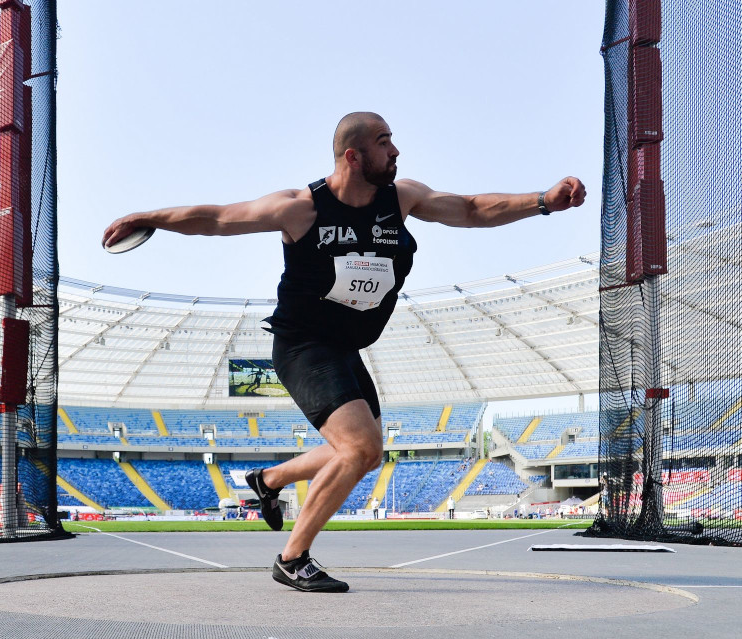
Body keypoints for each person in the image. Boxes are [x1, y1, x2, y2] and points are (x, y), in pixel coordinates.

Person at [103, 112, 587, 592]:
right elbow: (217, 219)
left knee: (365, 454)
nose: (395, 151)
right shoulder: (301, 208)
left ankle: (268, 480)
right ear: (353, 156)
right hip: (303, 344)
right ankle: (292, 559)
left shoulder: (401, 198)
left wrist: (542, 201)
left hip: (345, 347)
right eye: (384, 142)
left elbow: (472, 208)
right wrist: (147, 218)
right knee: (360, 449)